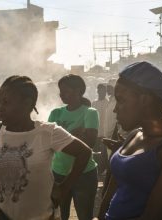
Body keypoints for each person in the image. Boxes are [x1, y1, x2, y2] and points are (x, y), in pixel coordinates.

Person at [0, 75, 92, 220]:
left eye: (7, 102)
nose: (0, 107)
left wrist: (64, 188)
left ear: (27, 103)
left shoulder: (47, 132)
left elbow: (84, 152)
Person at [98, 62, 162, 220]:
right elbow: (111, 194)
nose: (115, 109)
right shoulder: (134, 135)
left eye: (121, 100)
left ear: (145, 99)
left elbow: (156, 215)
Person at [49, 74, 99, 220]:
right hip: (57, 174)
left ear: (79, 91)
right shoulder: (55, 112)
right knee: (59, 216)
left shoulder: (90, 112)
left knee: (84, 216)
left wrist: (61, 137)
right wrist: (75, 133)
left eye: (66, 90)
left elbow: (89, 143)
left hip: (84, 174)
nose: (61, 94)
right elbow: (49, 142)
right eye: (60, 91)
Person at [92, 83, 109, 175]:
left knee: (103, 154)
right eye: (99, 90)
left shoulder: (108, 103)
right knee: (94, 153)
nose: (100, 92)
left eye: (103, 91)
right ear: (97, 91)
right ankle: (95, 170)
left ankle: (102, 170)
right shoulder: (94, 103)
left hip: (104, 133)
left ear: (105, 92)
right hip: (94, 133)